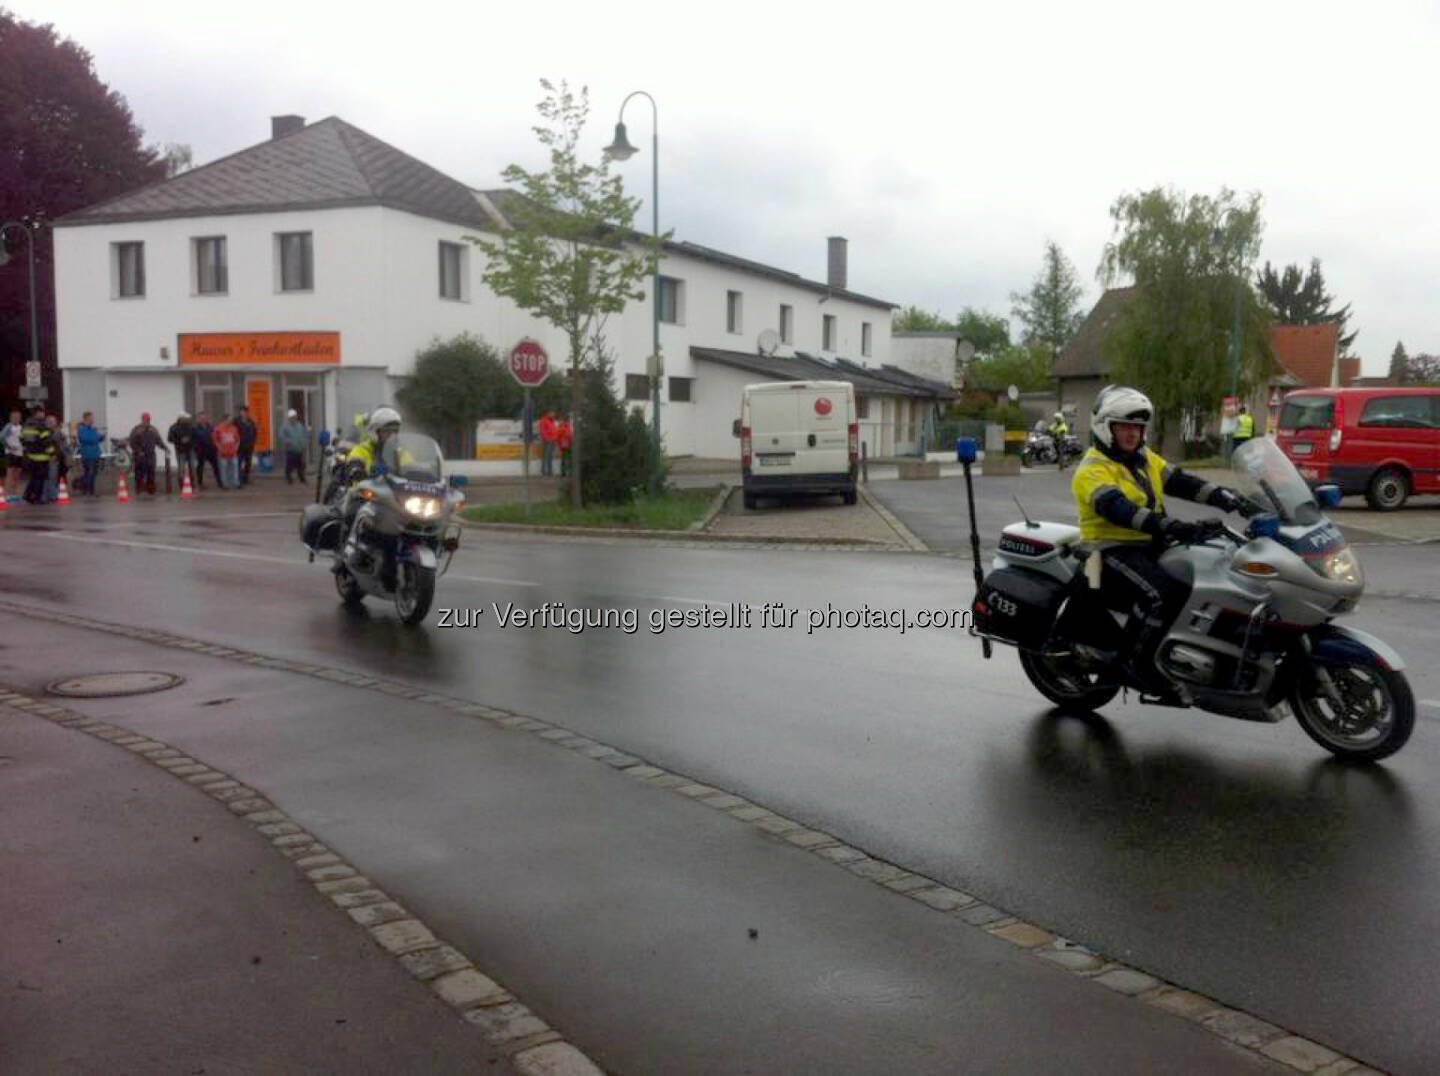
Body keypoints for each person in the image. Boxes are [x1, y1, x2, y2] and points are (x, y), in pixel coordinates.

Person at [1070, 385, 1252, 695]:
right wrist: (1173, 527)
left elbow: (1182, 482)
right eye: (1125, 426)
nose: (1132, 434)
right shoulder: (1092, 469)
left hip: (1149, 545)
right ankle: (1136, 665)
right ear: (1105, 428)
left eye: (1138, 428)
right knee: (1160, 595)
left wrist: (1228, 498)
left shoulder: (1144, 459)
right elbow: (1121, 511)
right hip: (1107, 551)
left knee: (1207, 577)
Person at [20, 407, 54, 504]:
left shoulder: (26, 425)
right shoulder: (41, 425)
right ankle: (37, 498)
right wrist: (52, 453)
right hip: (41, 456)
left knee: (34, 477)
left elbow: (21, 439)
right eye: (42, 413)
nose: (43, 415)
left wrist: (29, 448)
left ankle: (28, 495)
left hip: (30, 456)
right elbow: (47, 441)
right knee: (40, 478)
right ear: (37, 413)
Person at [128, 412, 164, 496]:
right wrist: (138, 451)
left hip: (151, 454)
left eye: (148, 419)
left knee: (151, 472)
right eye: (145, 419)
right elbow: (132, 441)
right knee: (139, 473)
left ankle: (150, 490)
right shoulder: (137, 429)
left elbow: (158, 440)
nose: (147, 421)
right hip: (140, 455)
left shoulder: (153, 429)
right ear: (142, 419)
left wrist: (165, 448)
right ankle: (139, 489)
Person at [76, 411, 103, 496]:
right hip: (87, 454)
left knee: (93, 473)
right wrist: (96, 438)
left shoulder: (92, 429)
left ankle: (90, 490)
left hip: (95, 454)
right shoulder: (82, 429)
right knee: (90, 473)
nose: (92, 420)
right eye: (90, 418)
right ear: (85, 419)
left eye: (92, 418)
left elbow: (97, 438)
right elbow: (85, 439)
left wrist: (100, 437)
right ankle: (88, 490)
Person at [193, 411, 222, 489]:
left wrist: (217, 447)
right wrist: (196, 448)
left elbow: (216, 437)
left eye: (204, 418)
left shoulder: (211, 427)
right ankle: (200, 484)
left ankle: (220, 483)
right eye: (201, 418)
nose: (203, 419)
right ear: (198, 419)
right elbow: (193, 440)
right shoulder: (195, 428)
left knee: (216, 467)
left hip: (211, 450)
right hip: (201, 450)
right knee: (200, 468)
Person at [280, 408, 309, 484]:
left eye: (294, 417)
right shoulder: (285, 427)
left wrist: (304, 444)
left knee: (300, 465)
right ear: (289, 418)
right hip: (290, 449)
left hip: (299, 449)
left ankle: (302, 478)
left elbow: (304, 435)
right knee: (289, 465)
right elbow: (281, 436)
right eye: (292, 417)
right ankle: (289, 478)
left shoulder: (299, 426)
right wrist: (288, 442)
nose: (293, 418)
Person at [168, 413, 197, 486]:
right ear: (181, 418)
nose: (187, 420)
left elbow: (195, 437)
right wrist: (180, 441)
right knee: (181, 467)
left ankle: (192, 483)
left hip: (190, 449)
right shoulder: (174, 427)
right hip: (180, 450)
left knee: (192, 466)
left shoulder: (191, 427)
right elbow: (170, 438)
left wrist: (190, 441)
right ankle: (181, 484)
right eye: (186, 418)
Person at [214, 413, 241, 489]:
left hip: (233, 452)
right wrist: (219, 448)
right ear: (225, 420)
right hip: (223, 453)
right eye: (229, 419)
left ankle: (235, 483)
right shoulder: (218, 428)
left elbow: (238, 439)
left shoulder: (234, 428)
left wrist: (236, 447)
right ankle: (225, 484)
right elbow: (215, 440)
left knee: (234, 469)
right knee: (224, 469)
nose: (231, 421)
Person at [2, 409, 25, 500]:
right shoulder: (8, 427)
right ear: (11, 418)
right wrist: (9, 447)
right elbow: (1, 437)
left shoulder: (21, 427)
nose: (16, 419)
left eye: (18, 417)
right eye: (14, 417)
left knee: (17, 474)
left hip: (20, 453)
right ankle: (7, 494)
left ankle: (15, 494)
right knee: (10, 474)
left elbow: (23, 439)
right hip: (11, 453)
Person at [235, 406, 258, 485]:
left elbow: (255, 432)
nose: (244, 413)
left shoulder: (250, 421)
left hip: (249, 446)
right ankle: (239, 479)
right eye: (242, 412)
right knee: (239, 463)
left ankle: (246, 478)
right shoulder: (236, 421)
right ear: (240, 412)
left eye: (245, 412)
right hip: (240, 446)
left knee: (248, 463)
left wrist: (253, 441)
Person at [537, 410, 558, 476]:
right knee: (546, 456)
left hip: (552, 441)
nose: (553, 415)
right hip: (547, 441)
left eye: (553, 414)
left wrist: (555, 439)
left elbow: (553, 430)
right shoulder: (544, 420)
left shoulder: (552, 421)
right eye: (552, 413)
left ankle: (549, 471)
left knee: (550, 457)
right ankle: (544, 471)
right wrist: (547, 439)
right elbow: (542, 431)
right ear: (548, 414)